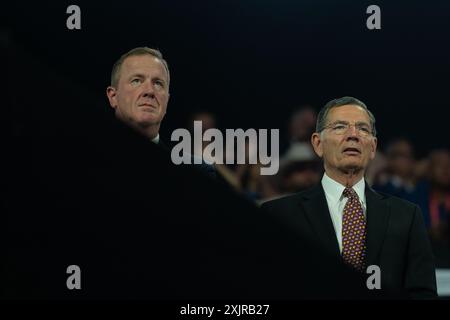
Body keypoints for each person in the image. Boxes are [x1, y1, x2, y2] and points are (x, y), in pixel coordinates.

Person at [261, 96, 437, 299]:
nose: (353, 135)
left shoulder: (407, 216)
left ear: (372, 148)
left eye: (362, 129)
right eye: (340, 127)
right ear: (318, 144)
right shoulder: (279, 215)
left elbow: (422, 293)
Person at [106, 47, 215, 178]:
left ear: (166, 101)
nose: (150, 91)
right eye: (136, 81)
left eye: (158, 83)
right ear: (113, 96)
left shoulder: (197, 173)